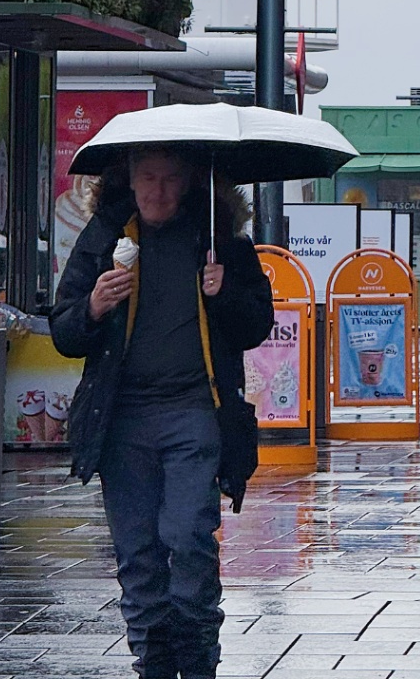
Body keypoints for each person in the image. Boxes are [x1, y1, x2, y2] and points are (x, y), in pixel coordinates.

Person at [51, 147, 274, 679]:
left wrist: (224, 294)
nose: (158, 191)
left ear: (190, 181)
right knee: (138, 552)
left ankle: (197, 659)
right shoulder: (106, 235)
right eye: (148, 178)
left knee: (189, 536)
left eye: (171, 179)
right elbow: (64, 330)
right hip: (122, 418)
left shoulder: (219, 238)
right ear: (129, 178)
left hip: (196, 411)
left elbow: (257, 325)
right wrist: (93, 306)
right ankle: (153, 661)